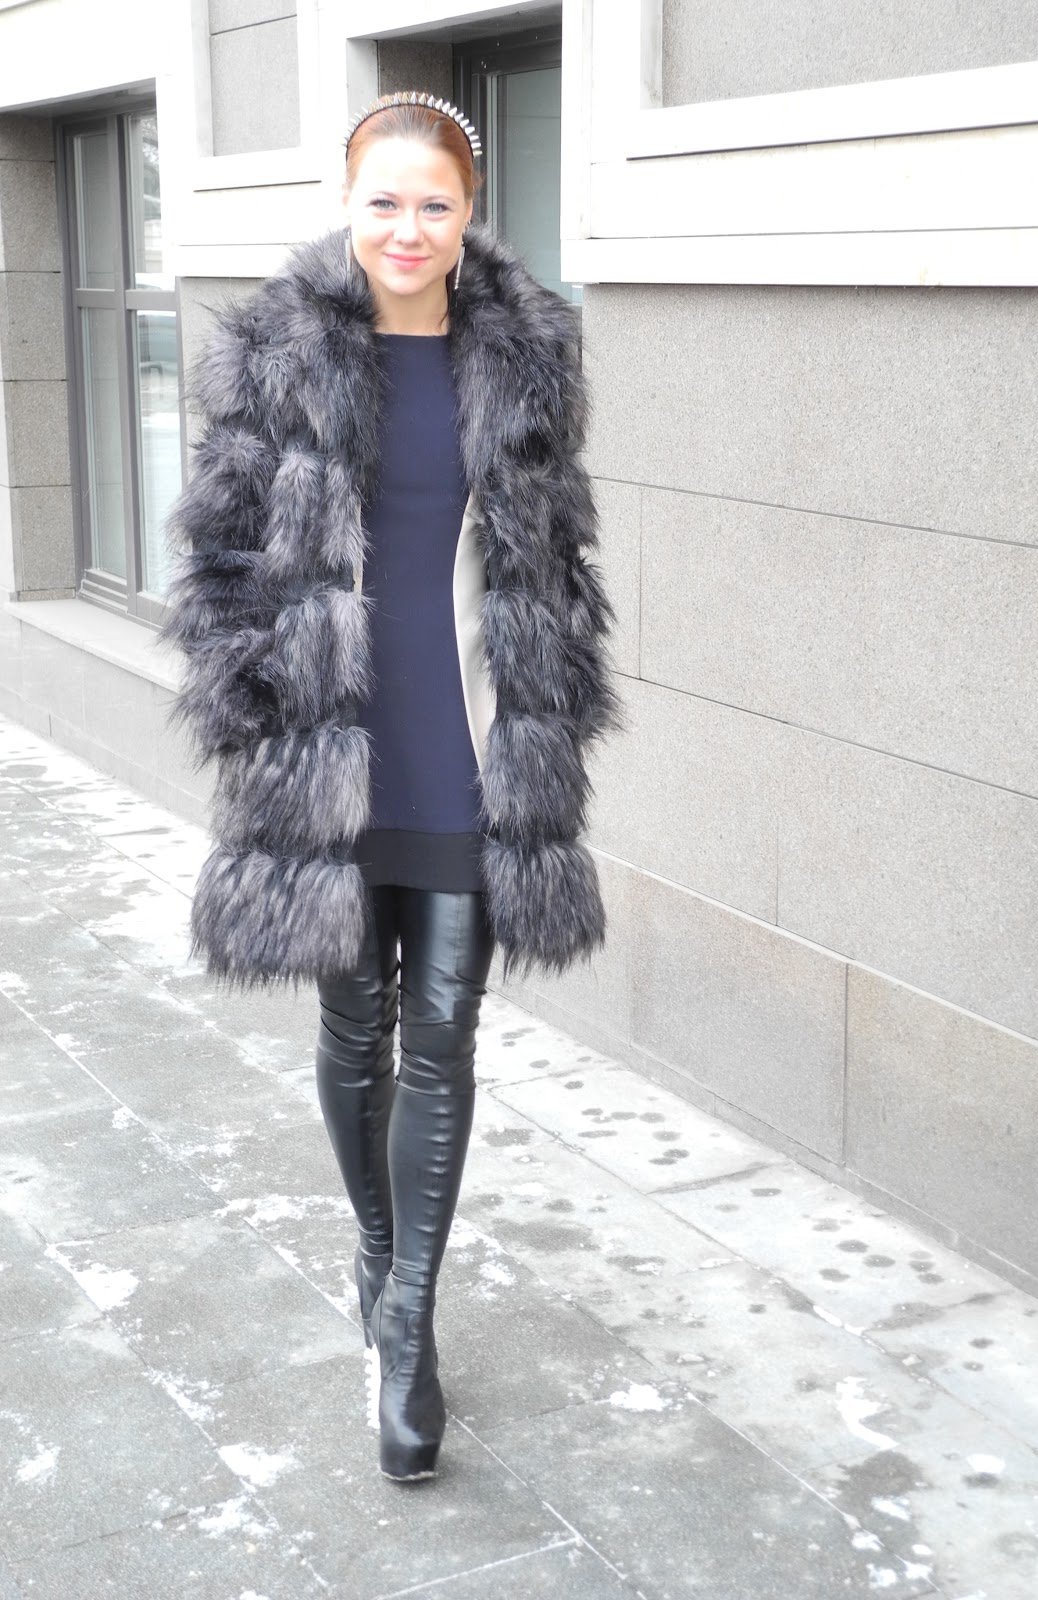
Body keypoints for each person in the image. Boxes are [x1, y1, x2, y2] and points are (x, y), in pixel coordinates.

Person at [156, 89, 624, 1484]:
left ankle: (408, 1320)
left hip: (471, 748)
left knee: (445, 1037)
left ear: (470, 214)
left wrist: (556, 695)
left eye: (435, 204)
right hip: (334, 752)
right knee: (357, 1032)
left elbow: (558, 555)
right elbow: (217, 557)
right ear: (348, 205)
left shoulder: (528, 357)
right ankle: (376, 1246)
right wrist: (255, 703)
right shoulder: (278, 353)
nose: (407, 229)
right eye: (384, 202)